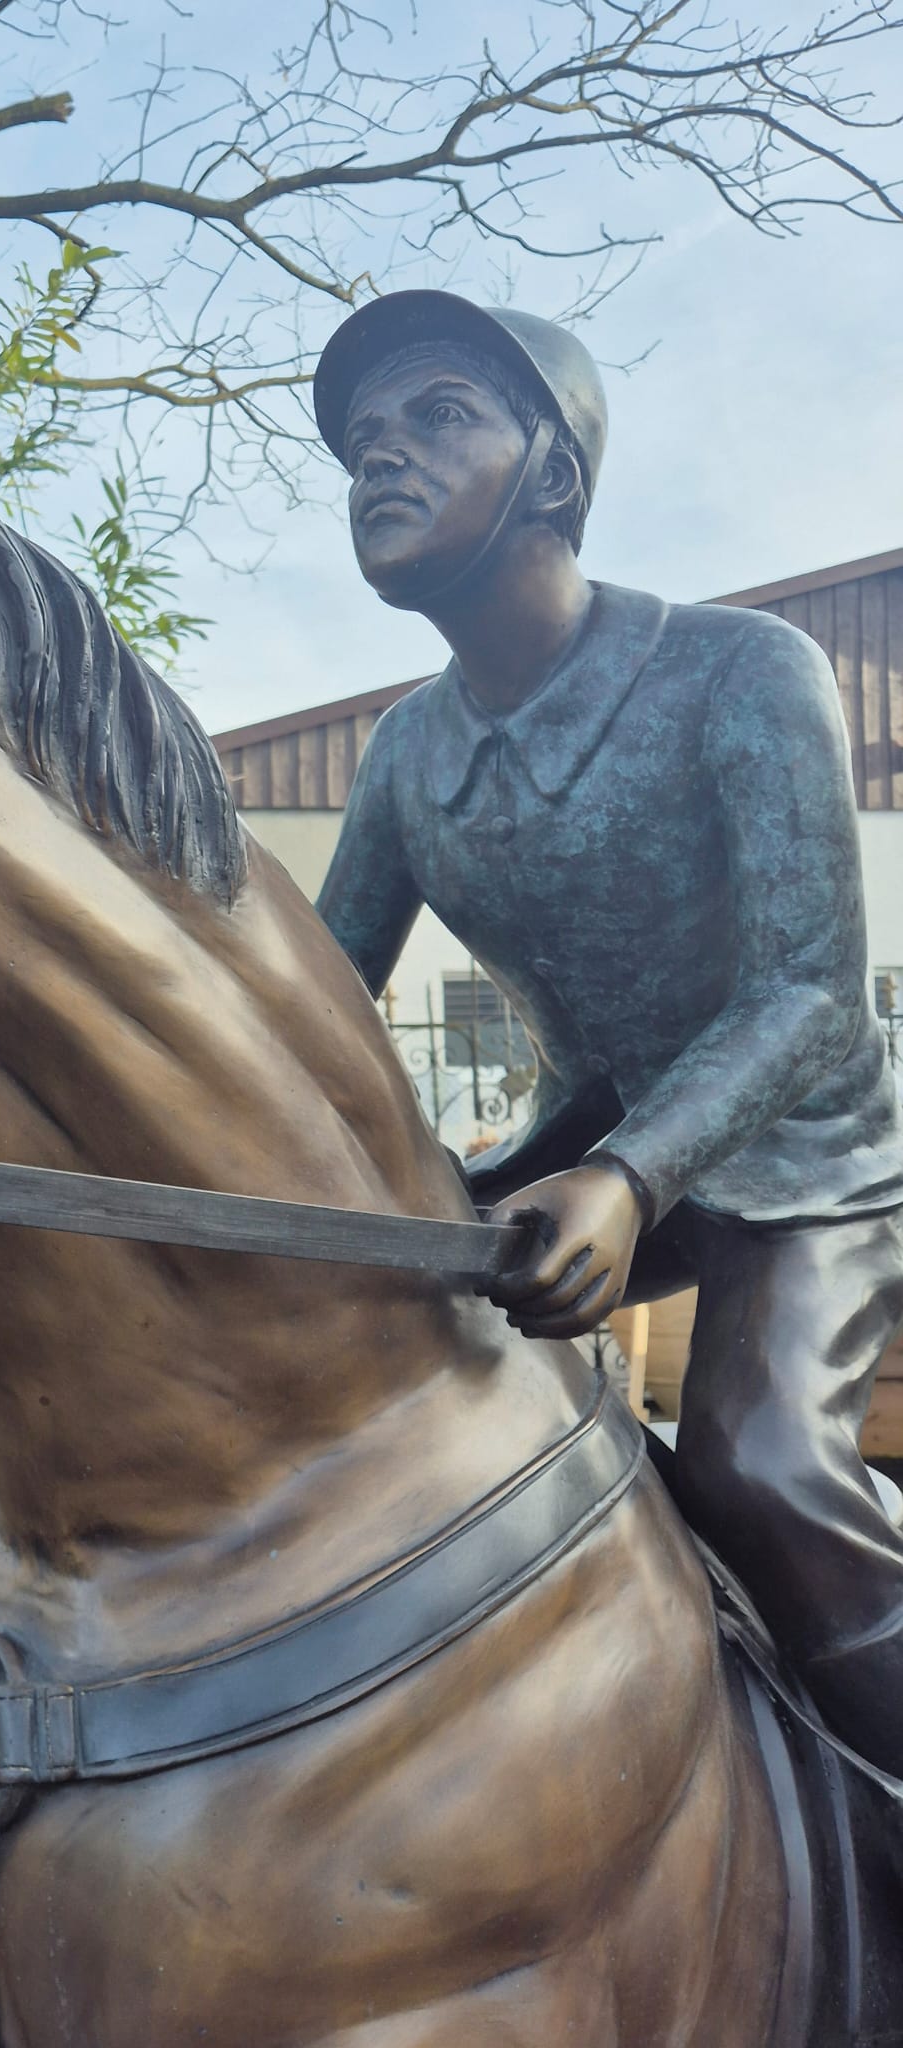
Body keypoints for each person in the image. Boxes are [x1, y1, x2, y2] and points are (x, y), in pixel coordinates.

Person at [311, 289, 903, 1773]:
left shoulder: (743, 671)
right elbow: (314, 1009)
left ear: (555, 471)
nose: (384, 455)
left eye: (438, 414)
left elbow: (813, 994)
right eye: (362, 439)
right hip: (594, 1138)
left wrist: (632, 1184)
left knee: (764, 1469)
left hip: (808, 1151)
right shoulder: (404, 755)